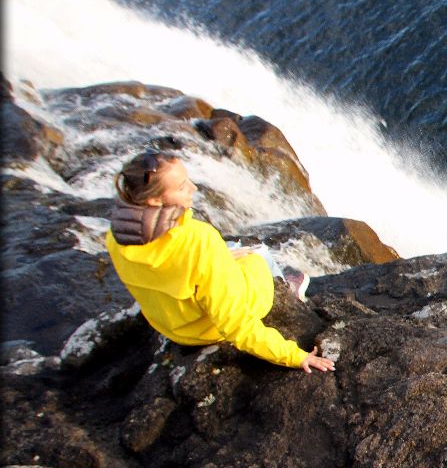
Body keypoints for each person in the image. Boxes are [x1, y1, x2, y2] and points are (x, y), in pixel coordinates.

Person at [105, 149, 335, 374]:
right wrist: (295, 355)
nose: (193, 188)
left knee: (231, 248)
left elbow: (176, 267)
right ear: (155, 200)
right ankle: (287, 289)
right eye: (182, 186)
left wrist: (219, 260)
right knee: (258, 254)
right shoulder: (199, 241)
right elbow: (237, 326)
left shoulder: (117, 236)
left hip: (170, 325)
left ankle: (244, 266)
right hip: (207, 330)